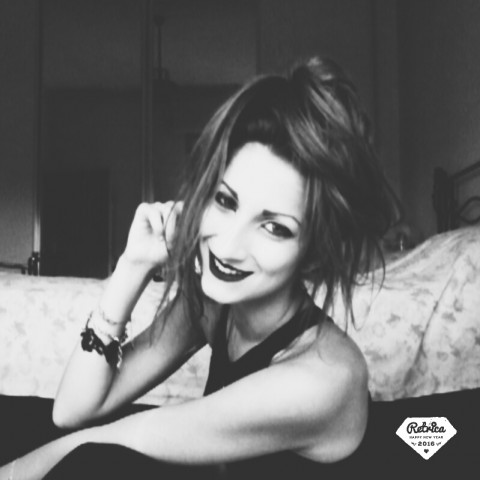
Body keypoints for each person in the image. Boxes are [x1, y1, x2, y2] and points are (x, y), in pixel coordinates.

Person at [0, 56, 399, 480]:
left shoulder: (322, 378)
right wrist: (132, 266)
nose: (226, 247)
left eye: (275, 228)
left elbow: (109, 440)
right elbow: (73, 410)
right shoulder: (213, 308)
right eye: (224, 201)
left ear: (314, 251)